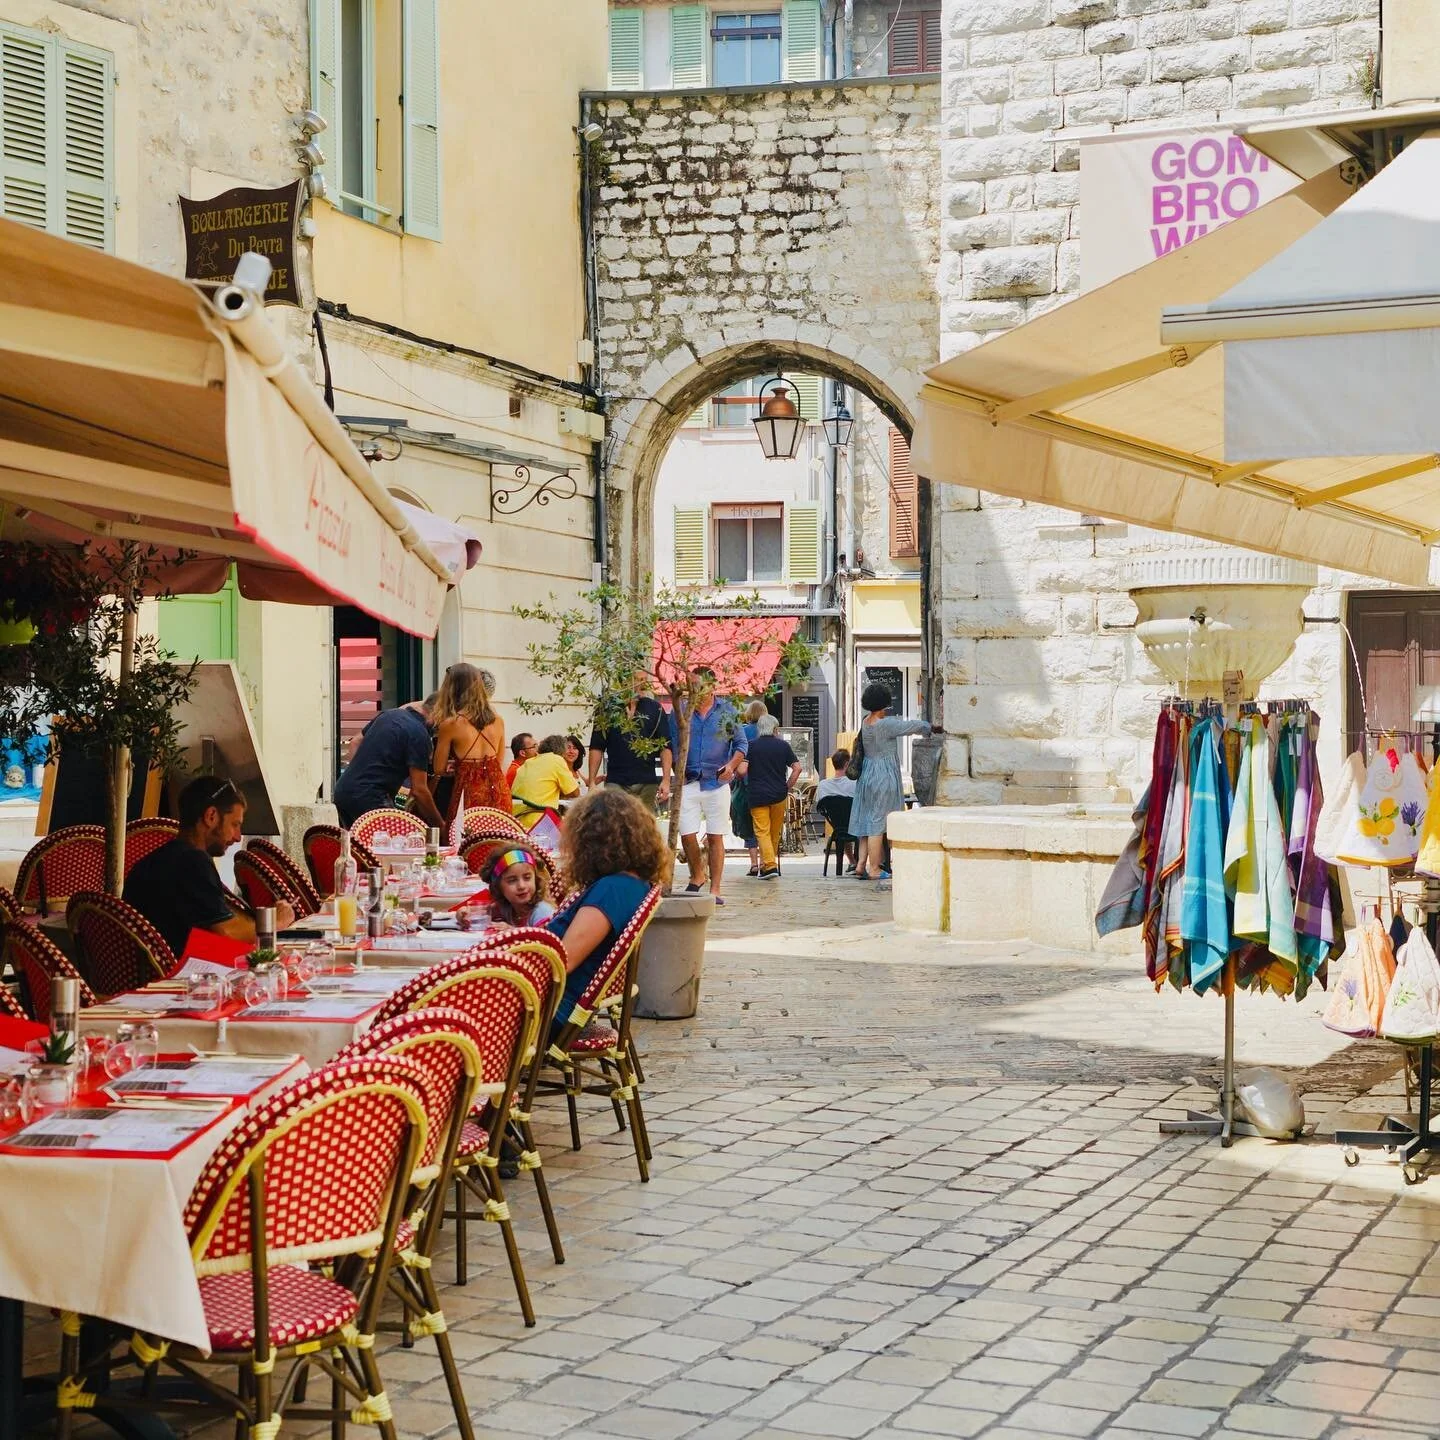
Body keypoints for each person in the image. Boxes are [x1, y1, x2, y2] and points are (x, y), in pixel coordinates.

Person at [124, 777, 294, 958]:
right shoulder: (192, 863)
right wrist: (275, 921)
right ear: (211, 816)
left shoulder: (161, 859)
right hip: (180, 977)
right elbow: (225, 933)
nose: (238, 837)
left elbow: (217, 917)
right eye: (235, 824)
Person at [545, 787, 667, 1033]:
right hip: (557, 1002)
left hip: (551, 1009)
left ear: (591, 839)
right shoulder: (631, 884)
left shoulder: (612, 890)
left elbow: (563, 961)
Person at [669, 668, 747, 904]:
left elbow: (742, 743)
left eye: (699, 685)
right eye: (691, 685)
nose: (694, 690)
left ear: (712, 686)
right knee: (687, 833)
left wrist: (731, 766)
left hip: (717, 780)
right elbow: (670, 744)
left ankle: (715, 889)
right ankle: (698, 875)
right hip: (688, 780)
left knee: (715, 836)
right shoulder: (680, 711)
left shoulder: (727, 711)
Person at [849, 682, 941, 880]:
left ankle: (860, 865)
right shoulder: (885, 724)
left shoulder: (865, 722)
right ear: (884, 702)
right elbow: (910, 726)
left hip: (867, 774)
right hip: (883, 776)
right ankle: (874, 869)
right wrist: (930, 727)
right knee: (877, 822)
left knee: (867, 819)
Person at [335, 695, 443, 828]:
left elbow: (356, 741)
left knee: (356, 846)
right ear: (439, 713)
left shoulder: (389, 714)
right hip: (372, 796)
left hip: (344, 790)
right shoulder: (420, 735)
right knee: (392, 844)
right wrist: (440, 825)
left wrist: (360, 773)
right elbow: (419, 790)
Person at [430, 663, 508, 825]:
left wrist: (458, 765)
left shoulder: (450, 725)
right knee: (496, 841)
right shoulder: (498, 720)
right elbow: (498, 761)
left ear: (452, 688)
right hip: (498, 791)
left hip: (468, 794)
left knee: (465, 843)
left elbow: (438, 768)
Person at [587, 677, 673, 811]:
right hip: (616, 780)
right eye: (637, 680)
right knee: (614, 825)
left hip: (647, 782)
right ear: (625, 681)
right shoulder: (607, 708)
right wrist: (591, 782)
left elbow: (665, 746)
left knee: (643, 827)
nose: (641, 684)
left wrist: (666, 780)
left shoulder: (655, 708)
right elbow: (597, 746)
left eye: (643, 681)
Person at [746, 714, 801, 880]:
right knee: (774, 833)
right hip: (779, 794)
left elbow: (741, 770)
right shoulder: (783, 746)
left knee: (762, 832)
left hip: (757, 795)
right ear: (775, 729)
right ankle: (766, 865)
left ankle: (769, 866)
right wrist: (788, 785)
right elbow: (797, 768)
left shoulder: (751, 746)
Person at [512, 734, 581, 831]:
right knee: (576, 825)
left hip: (517, 821)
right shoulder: (557, 760)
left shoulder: (527, 763)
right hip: (539, 821)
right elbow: (575, 792)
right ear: (561, 752)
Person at [480, 844, 557, 928]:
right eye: (512, 880)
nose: (521, 886)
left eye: (527, 878)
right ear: (498, 886)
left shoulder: (541, 912)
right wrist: (466, 915)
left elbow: (545, 939)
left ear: (536, 879)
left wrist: (512, 931)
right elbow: (481, 914)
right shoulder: (507, 906)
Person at [731, 699, 767, 877]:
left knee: (748, 825)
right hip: (766, 785)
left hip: (746, 784)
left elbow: (733, 757)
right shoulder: (769, 734)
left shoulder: (743, 731)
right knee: (763, 825)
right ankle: (765, 862)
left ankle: (753, 864)